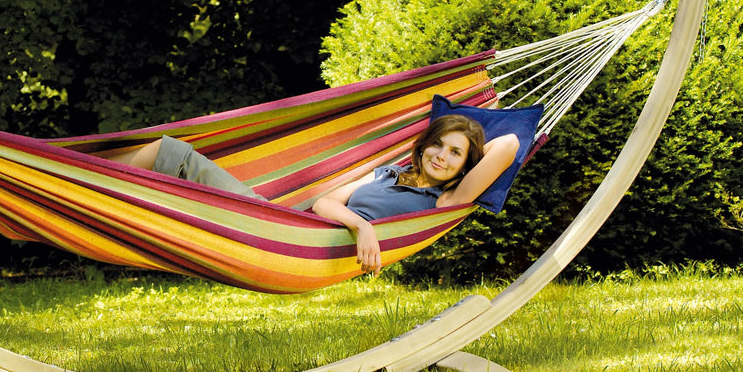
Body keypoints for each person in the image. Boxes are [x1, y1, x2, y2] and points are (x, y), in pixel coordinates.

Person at [119, 114, 520, 278]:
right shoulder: (388, 172)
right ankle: (86, 175)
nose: (442, 157)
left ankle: (91, 175)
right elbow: (324, 202)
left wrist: (471, 145)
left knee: (171, 154)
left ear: (466, 168)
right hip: (278, 219)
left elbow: (510, 143)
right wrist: (363, 227)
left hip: (287, 239)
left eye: (456, 154)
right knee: (165, 152)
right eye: (439, 145)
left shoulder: (444, 202)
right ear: (425, 145)